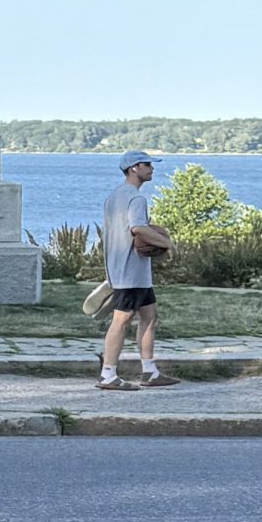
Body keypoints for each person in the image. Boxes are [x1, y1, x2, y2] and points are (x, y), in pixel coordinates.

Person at [99, 151, 172, 390]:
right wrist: (166, 243)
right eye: (147, 165)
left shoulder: (114, 196)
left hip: (125, 268)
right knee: (122, 319)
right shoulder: (136, 198)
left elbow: (123, 229)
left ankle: (150, 371)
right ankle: (108, 375)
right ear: (134, 168)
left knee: (150, 316)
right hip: (130, 271)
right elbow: (138, 229)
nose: (152, 169)